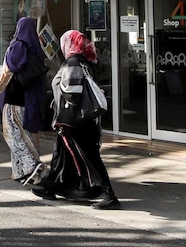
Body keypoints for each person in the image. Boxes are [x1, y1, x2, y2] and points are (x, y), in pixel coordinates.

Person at [32, 29, 121, 210]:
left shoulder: (72, 63)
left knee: (89, 158)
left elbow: (73, 93)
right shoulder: (84, 62)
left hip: (75, 122)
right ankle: (51, 186)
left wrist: (61, 89)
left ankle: (109, 195)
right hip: (76, 122)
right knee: (61, 157)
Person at [0, 17, 47, 185]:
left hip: (14, 100)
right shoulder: (35, 48)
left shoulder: (18, 46)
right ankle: (20, 172)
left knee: (13, 136)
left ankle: (33, 168)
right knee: (26, 135)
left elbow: (7, 73)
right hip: (30, 100)